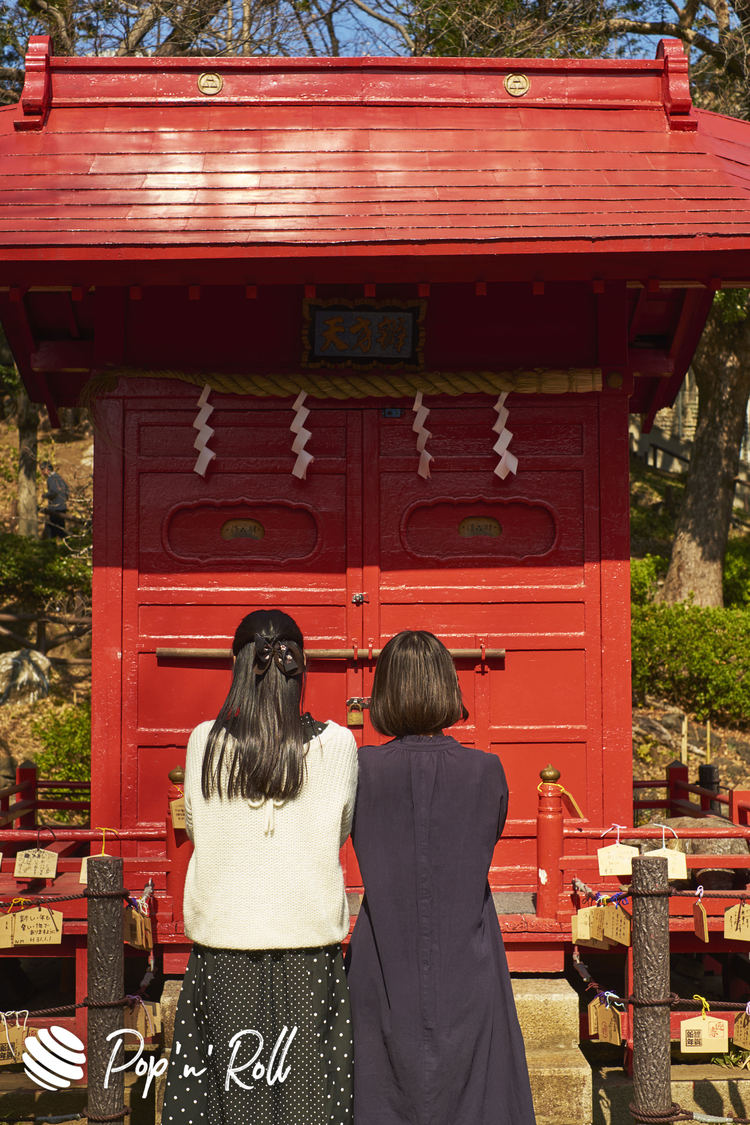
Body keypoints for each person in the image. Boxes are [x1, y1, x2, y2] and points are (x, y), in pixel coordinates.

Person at [160, 609, 358, 1125]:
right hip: (308, 942)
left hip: (226, 942)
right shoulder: (338, 744)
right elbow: (336, 832)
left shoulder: (206, 740)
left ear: (237, 666)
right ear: (301, 666)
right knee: (311, 1097)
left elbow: (200, 830)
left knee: (230, 1094)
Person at [346, 629, 537, 1125]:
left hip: (384, 949)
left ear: (384, 692)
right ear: (447, 688)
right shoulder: (486, 771)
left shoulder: (360, 768)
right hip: (467, 951)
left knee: (379, 1085)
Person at [40, 460, 69, 539]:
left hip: (55, 510)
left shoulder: (51, 479)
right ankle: (64, 545)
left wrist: (45, 495)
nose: (42, 472)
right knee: (60, 529)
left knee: (53, 530)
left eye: (42, 470)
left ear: (46, 469)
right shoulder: (58, 477)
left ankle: (52, 547)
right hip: (62, 508)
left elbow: (54, 492)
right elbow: (67, 490)